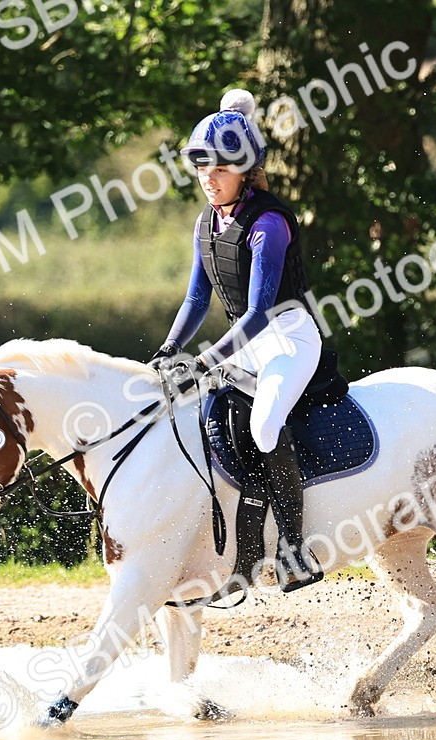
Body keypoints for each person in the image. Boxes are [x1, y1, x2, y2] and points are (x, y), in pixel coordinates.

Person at [149, 89, 324, 592]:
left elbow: (257, 312)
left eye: (220, 169)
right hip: (244, 344)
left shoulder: (267, 223)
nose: (209, 178)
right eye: (202, 167)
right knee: (204, 425)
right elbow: (196, 301)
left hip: (287, 339)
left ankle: (294, 548)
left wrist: (205, 359)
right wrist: (167, 352)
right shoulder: (207, 221)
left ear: (246, 171)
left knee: (266, 427)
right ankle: (242, 554)